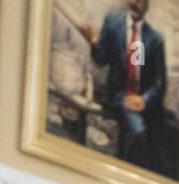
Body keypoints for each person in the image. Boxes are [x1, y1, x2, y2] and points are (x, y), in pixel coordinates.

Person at [70, 0, 167, 172]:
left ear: (148, 5)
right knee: (138, 131)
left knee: (166, 135)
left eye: (142, 1)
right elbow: (101, 59)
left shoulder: (155, 39)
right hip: (120, 95)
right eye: (134, 0)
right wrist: (93, 41)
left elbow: (159, 83)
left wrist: (144, 100)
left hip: (144, 101)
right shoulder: (113, 22)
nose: (137, 5)